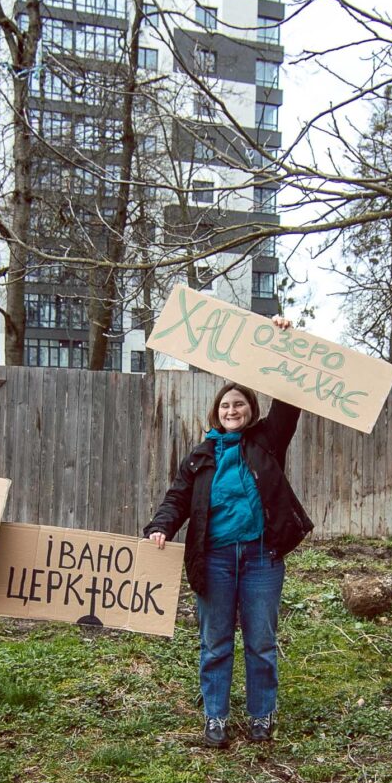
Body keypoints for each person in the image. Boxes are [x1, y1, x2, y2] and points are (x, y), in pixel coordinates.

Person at [145, 318, 313, 748]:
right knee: (215, 641)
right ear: (216, 413)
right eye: (225, 406)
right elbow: (177, 499)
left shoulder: (267, 443)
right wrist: (160, 527)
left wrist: (282, 342)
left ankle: (262, 714)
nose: (232, 411)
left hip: (261, 558)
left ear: (251, 410)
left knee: (260, 641)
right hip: (214, 559)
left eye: (239, 404)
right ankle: (215, 718)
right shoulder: (201, 455)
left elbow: (290, 401)